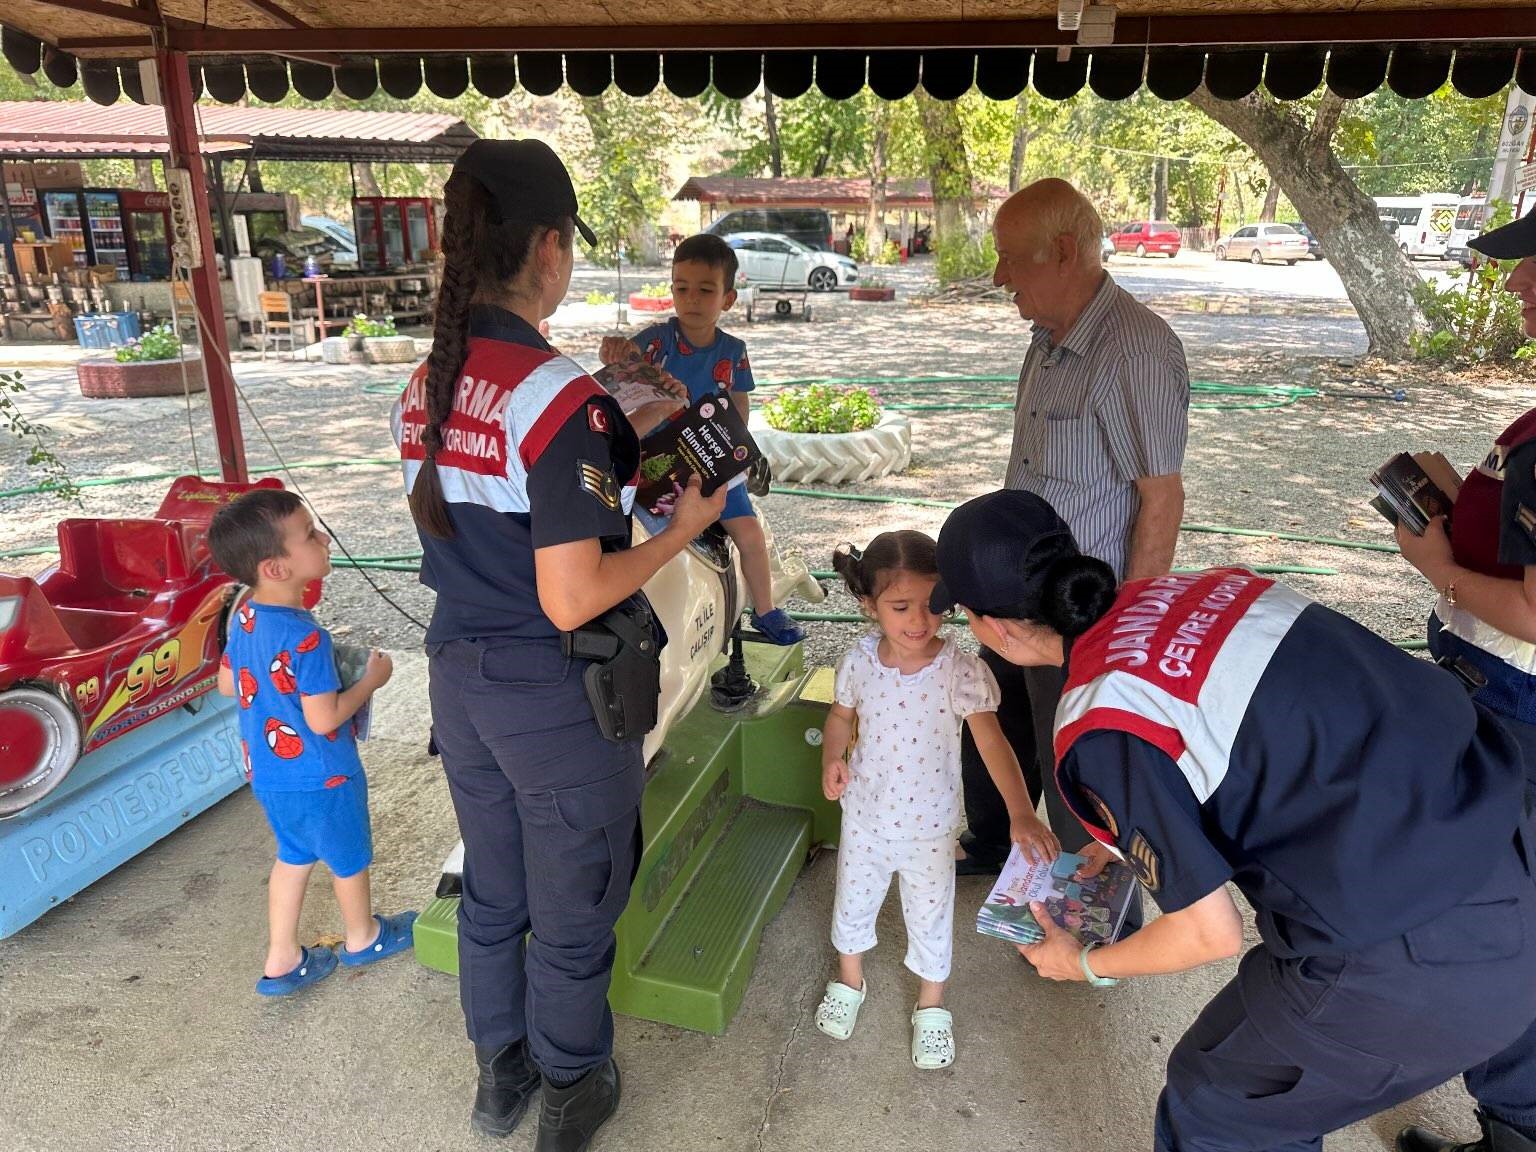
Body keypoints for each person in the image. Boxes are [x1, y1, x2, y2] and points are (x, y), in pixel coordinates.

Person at [932, 488, 1536, 1152]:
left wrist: (1083, 965)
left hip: (1417, 940)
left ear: (993, 626)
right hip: (1508, 826)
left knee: (1217, 1105)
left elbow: (1207, 935)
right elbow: (1254, 735)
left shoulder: (1099, 723)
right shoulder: (1217, 587)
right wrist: (1130, 837)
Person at [391, 140, 726, 1151]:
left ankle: (502, 1077)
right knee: (574, 901)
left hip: (461, 677)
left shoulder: (425, 383)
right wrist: (676, 528)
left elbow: (488, 518)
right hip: (552, 690)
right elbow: (573, 591)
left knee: (495, 888)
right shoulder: (556, 397)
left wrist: (618, 445)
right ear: (547, 247)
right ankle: (575, 1086)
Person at [956, 178, 1189, 878]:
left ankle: (1087, 906)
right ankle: (998, 845)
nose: (998, 276)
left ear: (1061, 252)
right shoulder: (1050, 336)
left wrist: (1128, 636)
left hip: (1079, 612)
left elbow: (1162, 498)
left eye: (1008, 258)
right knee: (998, 719)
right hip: (1013, 592)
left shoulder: (1133, 351)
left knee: (1075, 760)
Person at [812, 532, 1058, 1070]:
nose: (918, 621)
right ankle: (849, 980)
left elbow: (994, 742)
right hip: (866, 817)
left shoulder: (960, 669)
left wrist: (1020, 811)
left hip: (930, 828)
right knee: (853, 902)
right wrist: (833, 757)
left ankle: (931, 1006)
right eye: (900, 607)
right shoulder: (858, 661)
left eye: (931, 606)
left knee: (930, 916)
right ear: (868, 606)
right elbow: (840, 716)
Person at [208, 488, 415, 997]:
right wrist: (371, 680)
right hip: (326, 774)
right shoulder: (307, 638)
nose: (323, 538)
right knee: (349, 859)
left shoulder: (246, 616)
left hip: (271, 776)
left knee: (293, 856)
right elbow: (323, 719)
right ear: (277, 568)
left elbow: (228, 684)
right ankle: (363, 937)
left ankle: (282, 958)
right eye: (309, 534)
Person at [598, 233, 806, 645]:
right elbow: (620, 370)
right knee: (618, 527)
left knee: (749, 532)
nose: (691, 299)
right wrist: (615, 353)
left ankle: (765, 609)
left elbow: (739, 400)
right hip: (656, 459)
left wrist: (733, 443)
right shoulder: (656, 340)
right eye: (682, 288)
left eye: (705, 290)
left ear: (727, 299)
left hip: (709, 458)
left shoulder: (733, 350)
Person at [1396, 211, 1536, 814]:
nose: (1515, 282)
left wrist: (1440, 569)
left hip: (1515, 693)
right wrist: (1471, 505)